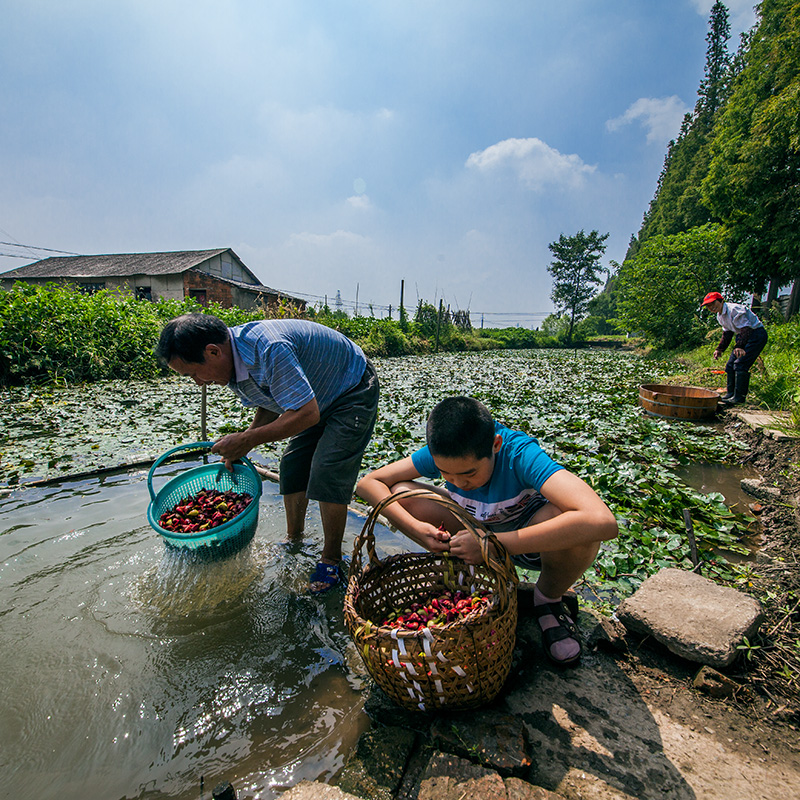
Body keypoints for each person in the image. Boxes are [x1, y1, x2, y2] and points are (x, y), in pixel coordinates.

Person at [356, 397, 618, 666]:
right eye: (446, 474)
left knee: (573, 523)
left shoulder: (520, 455)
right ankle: (469, 577)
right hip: (472, 531)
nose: (459, 483)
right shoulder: (448, 452)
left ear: (495, 444)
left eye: (469, 474)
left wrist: (492, 545)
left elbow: (601, 521)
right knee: (402, 493)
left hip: (530, 542)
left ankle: (548, 599)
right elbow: (368, 483)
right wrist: (417, 530)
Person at [155, 313, 379, 593]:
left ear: (213, 351)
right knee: (292, 464)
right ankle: (294, 538)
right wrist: (247, 441)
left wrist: (246, 439)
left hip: (351, 387)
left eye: (193, 374)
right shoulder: (234, 366)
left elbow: (306, 414)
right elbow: (273, 401)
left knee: (326, 470)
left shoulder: (268, 349)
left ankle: (331, 559)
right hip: (314, 397)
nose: (198, 382)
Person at [700, 292, 768, 406]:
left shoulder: (734, 310)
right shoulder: (720, 316)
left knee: (741, 364)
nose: (711, 307)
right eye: (708, 306)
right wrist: (719, 349)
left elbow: (746, 328)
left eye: (713, 303)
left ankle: (739, 398)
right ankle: (730, 394)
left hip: (755, 335)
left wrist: (740, 346)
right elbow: (727, 333)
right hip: (742, 337)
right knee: (730, 365)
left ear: (721, 301)